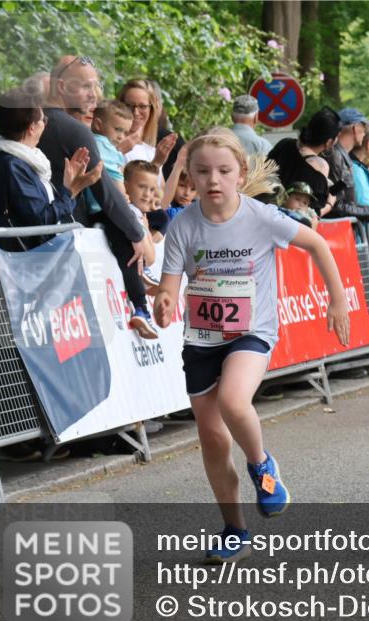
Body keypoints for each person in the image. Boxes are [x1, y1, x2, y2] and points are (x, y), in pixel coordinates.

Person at [153, 130, 351, 563]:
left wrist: (337, 300)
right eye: (202, 171)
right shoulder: (183, 224)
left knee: (233, 401)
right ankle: (234, 529)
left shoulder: (261, 216)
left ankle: (262, 464)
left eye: (223, 171)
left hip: (251, 332)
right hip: (201, 338)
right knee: (212, 438)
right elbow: (168, 287)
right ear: (189, 175)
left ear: (241, 174)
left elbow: (317, 243)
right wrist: (164, 303)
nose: (213, 179)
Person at [39, 56, 158, 338]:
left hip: (46, 237)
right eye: (84, 86)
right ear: (61, 86)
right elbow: (105, 192)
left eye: (96, 85)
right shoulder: (72, 128)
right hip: (69, 238)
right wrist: (136, 233)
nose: (94, 94)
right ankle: (140, 307)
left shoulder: (37, 120)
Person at [0, 87, 101, 251]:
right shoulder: (12, 166)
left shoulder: (22, 160)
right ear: (32, 127)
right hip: (25, 262)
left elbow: (41, 211)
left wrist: (70, 187)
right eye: (43, 120)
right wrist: (71, 190)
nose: (45, 124)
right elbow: (41, 219)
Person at [267, 107, 339, 216]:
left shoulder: (284, 144)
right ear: (329, 142)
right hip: (291, 227)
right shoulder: (320, 165)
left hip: (265, 214)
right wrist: (330, 203)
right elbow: (313, 212)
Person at [325, 108, 369, 222]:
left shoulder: (339, 156)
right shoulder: (335, 156)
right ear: (355, 128)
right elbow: (337, 205)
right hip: (336, 232)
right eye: (363, 128)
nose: (364, 133)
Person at [117, 79, 177, 169]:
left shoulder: (152, 152)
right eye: (129, 105)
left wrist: (179, 164)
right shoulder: (107, 144)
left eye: (142, 106)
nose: (136, 112)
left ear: (151, 110)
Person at [89, 100, 133, 198]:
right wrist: (124, 196)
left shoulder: (89, 139)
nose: (121, 137)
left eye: (125, 133)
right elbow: (116, 178)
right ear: (98, 124)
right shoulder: (106, 146)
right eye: (118, 130)